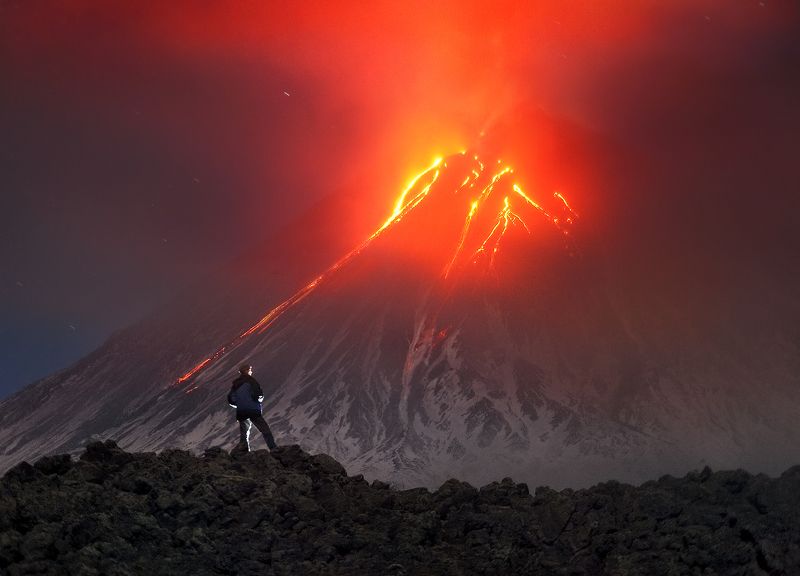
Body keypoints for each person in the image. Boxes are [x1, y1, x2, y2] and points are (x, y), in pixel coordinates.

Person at [227, 364, 277, 451]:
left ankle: (244, 451)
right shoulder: (251, 380)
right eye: (250, 369)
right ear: (246, 370)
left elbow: (231, 398)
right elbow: (259, 394)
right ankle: (273, 448)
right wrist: (257, 400)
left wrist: (239, 404)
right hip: (253, 409)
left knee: (244, 432)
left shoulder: (235, 383)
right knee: (265, 429)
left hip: (241, 411)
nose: (251, 371)